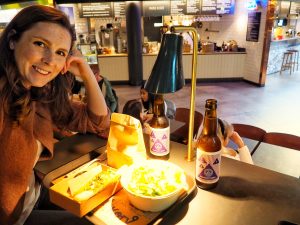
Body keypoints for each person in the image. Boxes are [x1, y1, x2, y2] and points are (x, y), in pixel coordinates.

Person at [0, 5, 110, 225]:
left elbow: (97, 122)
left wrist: (86, 72)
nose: (50, 60)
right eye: (40, 44)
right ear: (13, 40)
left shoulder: (38, 94)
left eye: (61, 52)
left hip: (35, 195)